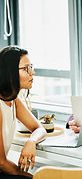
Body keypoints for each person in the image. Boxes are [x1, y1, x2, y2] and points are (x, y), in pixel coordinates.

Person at [0, 46, 46, 178]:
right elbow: (1, 163)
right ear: (10, 72)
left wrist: (31, 141)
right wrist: (33, 177)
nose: (32, 73)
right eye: (26, 69)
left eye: (31, 67)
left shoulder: (13, 100)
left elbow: (39, 128)